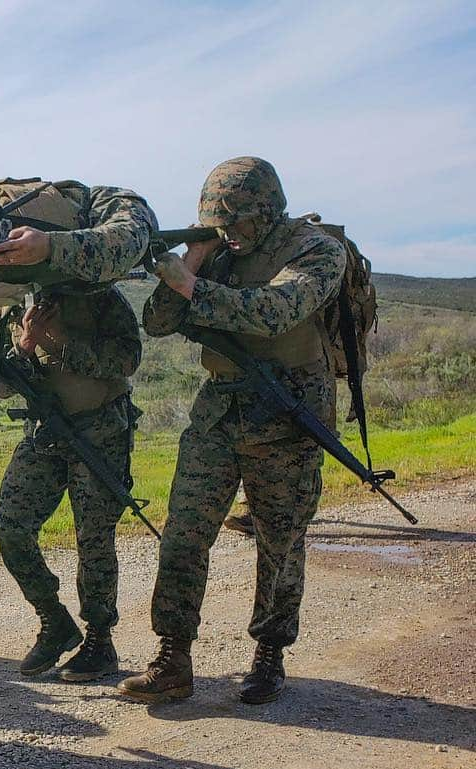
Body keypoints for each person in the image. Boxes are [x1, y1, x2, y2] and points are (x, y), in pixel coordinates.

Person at [117, 157, 346, 705]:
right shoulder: (216, 252)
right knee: (184, 534)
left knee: (280, 540)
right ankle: (173, 656)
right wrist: (195, 259)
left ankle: (269, 652)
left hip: (286, 413)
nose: (230, 234)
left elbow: (274, 312)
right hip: (219, 411)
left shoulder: (316, 249)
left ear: (268, 211)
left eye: (238, 222)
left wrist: (191, 283)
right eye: (219, 223)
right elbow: (158, 323)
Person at [0, 182, 157, 680]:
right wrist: (23, 348)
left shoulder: (99, 296)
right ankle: (55, 623)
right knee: (10, 527)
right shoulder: (8, 306)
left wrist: (55, 347)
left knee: (94, 539)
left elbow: (127, 359)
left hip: (101, 431)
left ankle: (100, 641)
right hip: (45, 433)